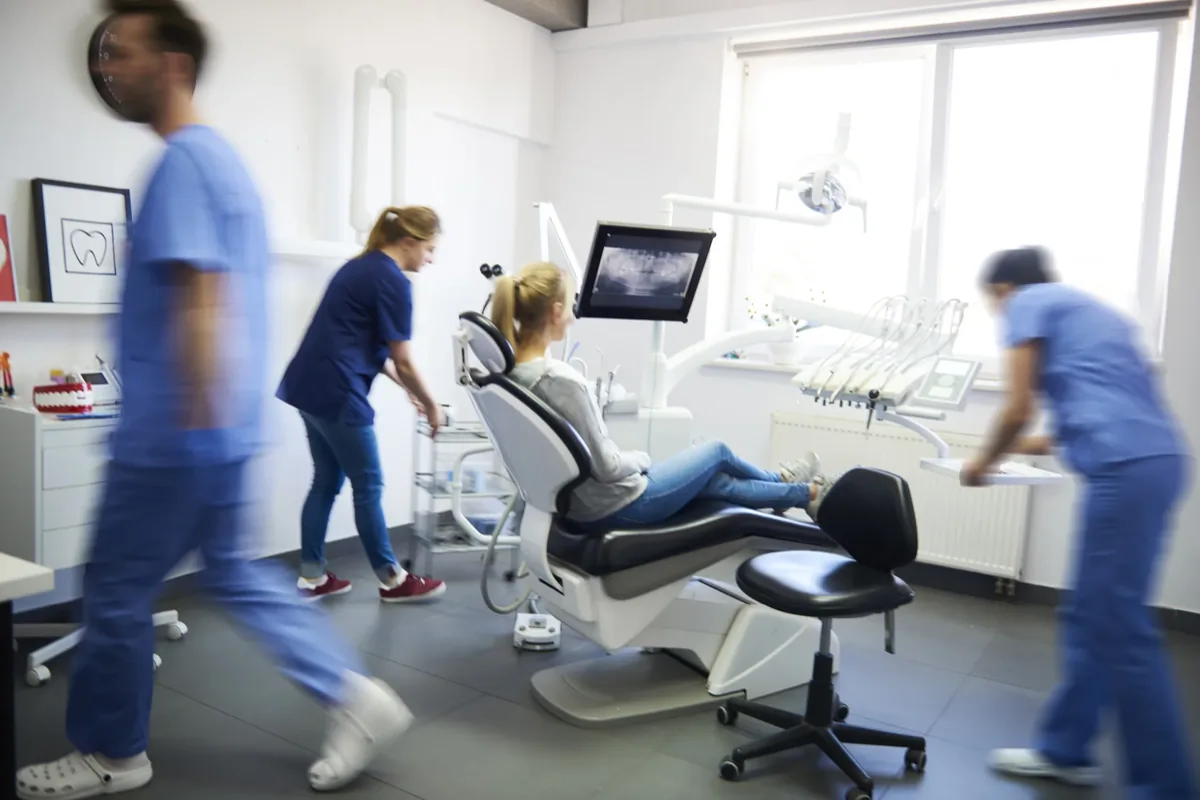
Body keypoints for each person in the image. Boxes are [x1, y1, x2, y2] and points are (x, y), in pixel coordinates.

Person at [17, 2, 413, 796]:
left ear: (171, 65)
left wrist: (189, 418)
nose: (106, 67)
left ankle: (112, 753)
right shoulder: (219, 160)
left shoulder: (184, 163)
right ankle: (356, 694)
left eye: (119, 53)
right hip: (219, 430)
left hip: (176, 434)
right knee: (233, 574)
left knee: (118, 590)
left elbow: (203, 295)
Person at [962, 247, 1194, 799]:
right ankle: (1066, 750)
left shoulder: (1026, 302)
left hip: (1126, 468)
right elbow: (1069, 423)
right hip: (1155, 462)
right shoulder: (1094, 314)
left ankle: (1167, 785)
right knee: (1093, 615)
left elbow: (1019, 408)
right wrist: (1009, 449)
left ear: (1003, 290)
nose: (1000, 318)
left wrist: (982, 465)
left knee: (1119, 628)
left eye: (994, 306)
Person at [489, 262, 834, 527]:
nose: (573, 315)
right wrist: (642, 459)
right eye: (570, 304)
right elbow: (608, 467)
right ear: (554, 312)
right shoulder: (559, 380)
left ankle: (804, 494)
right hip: (618, 504)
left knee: (716, 482)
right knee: (714, 451)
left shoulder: (513, 374)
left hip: (581, 503)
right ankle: (784, 481)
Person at [277, 206, 447, 604]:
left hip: (308, 385)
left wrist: (402, 385)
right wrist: (431, 403)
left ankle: (312, 577)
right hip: (338, 390)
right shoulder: (392, 280)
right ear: (409, 242)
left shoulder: (360, 267)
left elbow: (357, 339)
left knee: (326, 481)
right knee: (368, 484)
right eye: (430, 249)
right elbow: (402, 357)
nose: (432, 258)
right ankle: (393, 580)